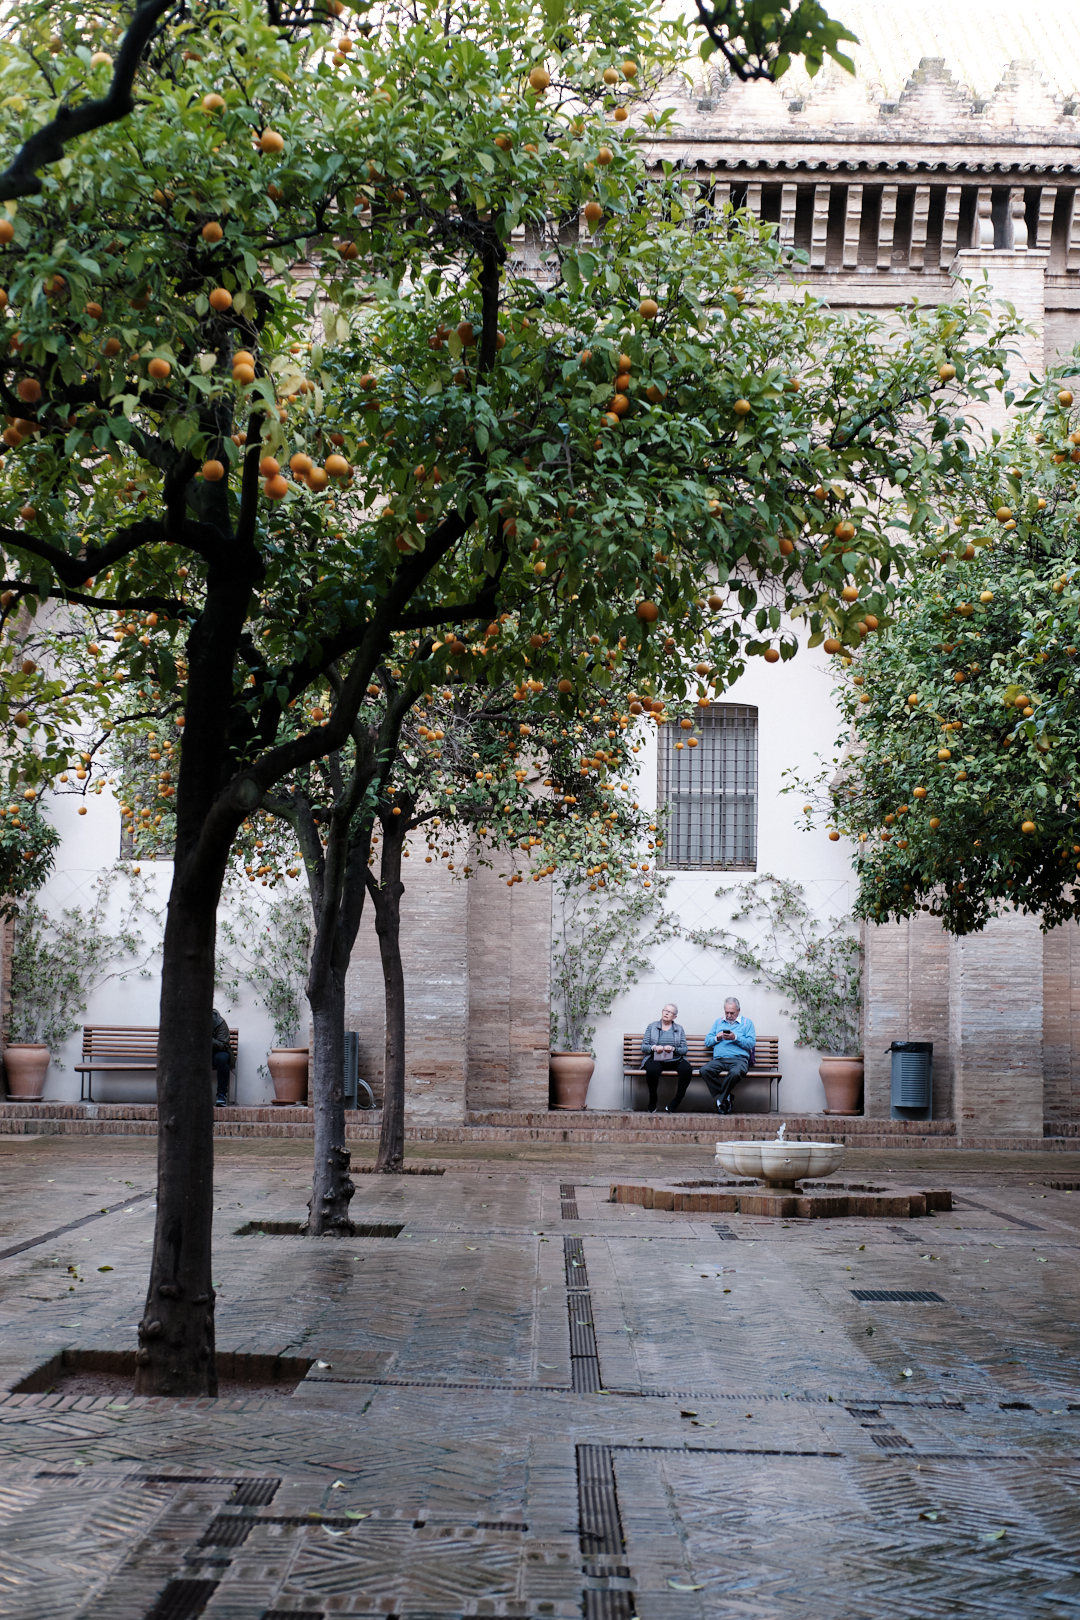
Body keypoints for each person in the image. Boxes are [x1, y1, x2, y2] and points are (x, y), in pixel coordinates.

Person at [700, 997, 755, 1115]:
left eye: (732, 1013)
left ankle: (721, 1100)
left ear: (738, 1011)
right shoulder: (718, 1022)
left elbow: (751, 1043)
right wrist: (717, 1038)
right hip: (720, 1059)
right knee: (704, 1070)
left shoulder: (747, 1023)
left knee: (735, 1073)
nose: (729, 1015)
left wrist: (735, 1038)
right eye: (727, 1012)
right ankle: (727, 1096)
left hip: (739, 1060)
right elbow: (707, 1042)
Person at [640, 1003, 692, 1113]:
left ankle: (676, 1102)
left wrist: (673, 1049)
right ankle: (653, 1099)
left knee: (687, 1069)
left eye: (670, 1012)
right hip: (655, 1058)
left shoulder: (679, 1029)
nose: (667, 1013)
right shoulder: (652, 1026)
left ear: (675, 1017)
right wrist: (654, 1047)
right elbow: (644, 1047)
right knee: (653, 1070)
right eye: (665, 1010)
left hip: (675, 1059)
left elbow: (684, 1049)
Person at [212, 1007, 233, 1107]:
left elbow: (223, 1044)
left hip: (216, 1052)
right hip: (197, 1053)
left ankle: (221, 1095)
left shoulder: (219, 1022)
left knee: (223, 1058)